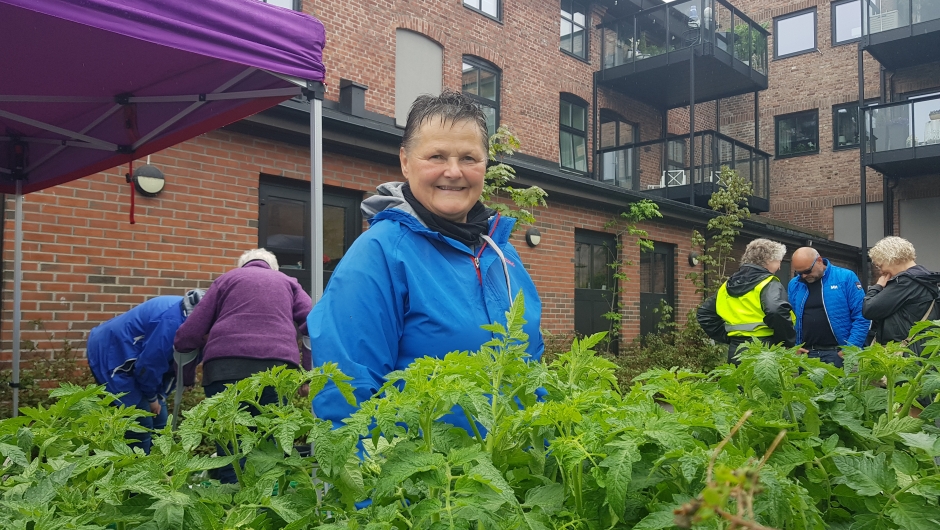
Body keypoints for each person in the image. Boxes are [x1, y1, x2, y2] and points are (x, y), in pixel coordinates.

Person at [308, 89, 543, 434]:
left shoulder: (502, 253)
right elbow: (346, 399)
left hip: (511, 466)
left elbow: (533, 372)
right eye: (436, 156)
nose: (453, 171)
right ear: (405, 161)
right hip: (425, 467)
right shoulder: (380, 254)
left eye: (469, 158)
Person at [174, 248, 312, 483]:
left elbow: (188, 336)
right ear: (274, 268)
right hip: (277, 370)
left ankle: (234, 502)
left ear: (242, 266)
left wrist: (187, 378)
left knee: (232, 447)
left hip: (224, 369)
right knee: (269, 447)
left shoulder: (226, 279)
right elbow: (313, 326)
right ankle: (267, 502)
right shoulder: (288, 282)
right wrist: (306, 376)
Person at [86, 289, 205, 453]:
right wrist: (152, 398)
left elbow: (177, 365)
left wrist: (160, 395)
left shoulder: (202, 329)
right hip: (113, 355)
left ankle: (159, 466)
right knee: (141, 423)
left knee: (161, 425)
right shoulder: (172, 324)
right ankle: (135, 466)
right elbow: (149, 365)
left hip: (140, 362)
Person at [697, 238, 796, 363]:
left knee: (739, 377)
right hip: (765, 348)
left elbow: (704, 313)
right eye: (778, 261)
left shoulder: (727, 286)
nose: (779, 267)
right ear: (768, 260)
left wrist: (728, 337)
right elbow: (775, 311)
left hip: (736, 350)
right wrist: (787, 341)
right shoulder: (768, 283)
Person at [787, 247, 870, 368]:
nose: (804, 276)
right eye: (799, 273)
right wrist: (795, 346)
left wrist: (851, 349)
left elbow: (862, 316)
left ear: (819, 260)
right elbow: (792, 318)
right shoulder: (794, 284)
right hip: (807, 355)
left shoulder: (845, 277)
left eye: (807, 271)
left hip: (839, 353)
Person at [863, 236, 940, 348]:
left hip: (903, 352)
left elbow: (869, 309)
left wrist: (877, 286)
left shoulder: (904, 282)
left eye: (881, 266)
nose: (881, 272)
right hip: (920, 349)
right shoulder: (925, 279)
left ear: (893, 259)